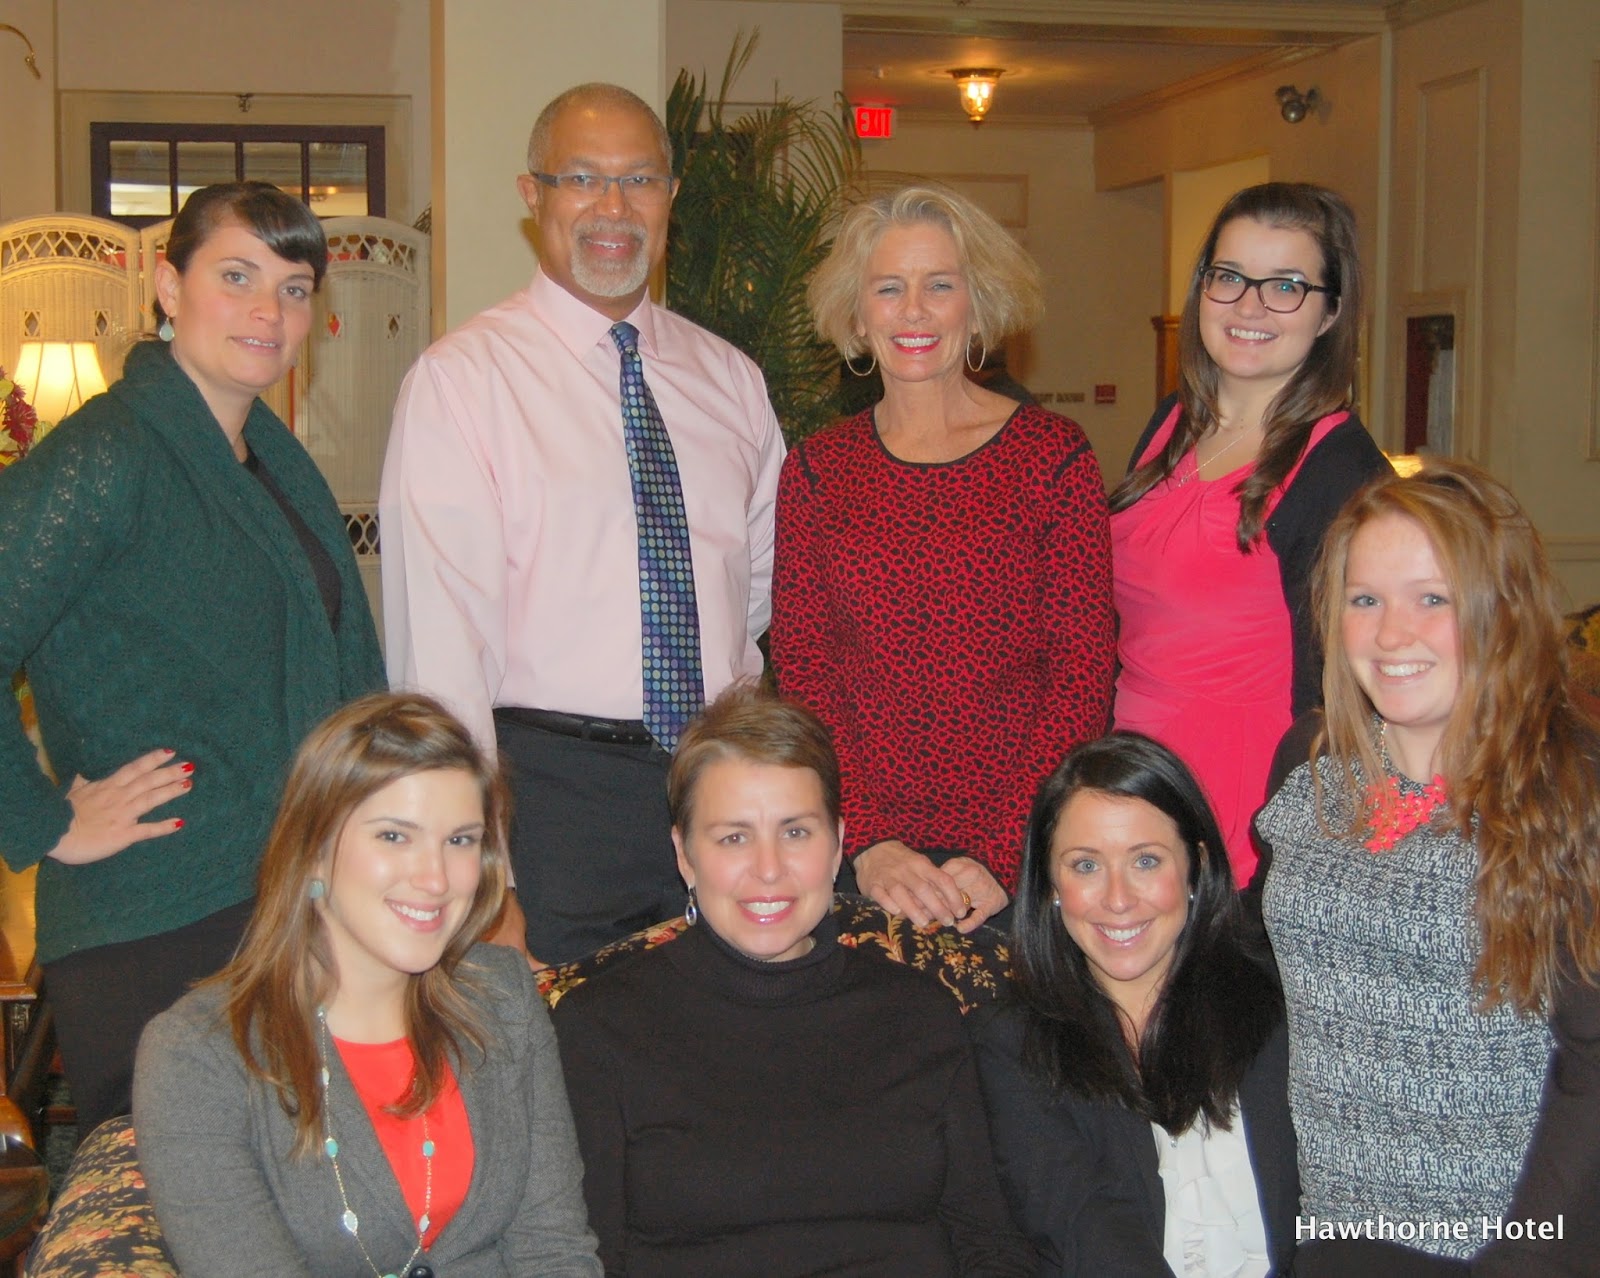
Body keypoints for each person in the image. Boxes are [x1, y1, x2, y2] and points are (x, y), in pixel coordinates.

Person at [0, 181, 384, 1135]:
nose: (268, 312)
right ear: (168, 288)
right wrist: (46, 822)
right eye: (237, 277)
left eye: (294, 289)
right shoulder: (108, 454)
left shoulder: (270, 459)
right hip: (155, 922)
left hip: (280, 901)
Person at [381, 82, 784, 966]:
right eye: (582, 178)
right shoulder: (463, 382)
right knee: (569, 1050)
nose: (613, 207)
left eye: (639, 180)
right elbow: (440, 655)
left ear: (670, 197)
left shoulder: (732, 381)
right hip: (550, 805)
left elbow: (750, 595)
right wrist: (482, 873)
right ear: (534, 196)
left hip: (719, 786)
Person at [550, 683, 1034, 1275]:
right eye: (734, 837)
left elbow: (989, 1242)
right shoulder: (599, 1028)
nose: (769, 869)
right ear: (684, 855)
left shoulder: (921, 1010)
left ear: (838, 846)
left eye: (796, 832)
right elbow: (581, 1259)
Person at [1256, 461, 1600, 1275]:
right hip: (1330, 1235)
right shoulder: (1311, 768)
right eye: (1365, 600)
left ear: (1500, 611)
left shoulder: (1569, 789)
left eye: (1432, 599)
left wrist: (1521, 1261)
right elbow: (1258, 970)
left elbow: (1593, 1062)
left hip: (1503, 1246)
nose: (1390, 635)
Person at [133, 692, 602, 1276]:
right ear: (312, 850)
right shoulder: (198, 1056)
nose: (435, 879)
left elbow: (554, 1249)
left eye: (460, 840)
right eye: (394, 836)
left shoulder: (501, 996)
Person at [771, 184, 1114, 935]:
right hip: (867, 860)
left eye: (940, 285)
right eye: (888, 288)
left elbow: (1081, 671)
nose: (914, 312)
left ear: (978, 305)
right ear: (857, 315)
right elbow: (805, 669)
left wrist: (1005, 849)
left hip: (1015, 857)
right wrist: (867, 840)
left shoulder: (1051, 458)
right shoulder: (817, 470)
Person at [1109, 182, 1390, 887]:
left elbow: (1353, 691)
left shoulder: (1341, 470)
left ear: (1331, 311)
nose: (1249, 306)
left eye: (1286, 286)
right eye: (1229, 277)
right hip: (1134, 772)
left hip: (1244, 808)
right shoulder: (1173, 422)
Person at [973, 732, 1298, 1276]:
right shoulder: (1011, 1045)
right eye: (1085, 866)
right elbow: (1083, 1226)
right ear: (1050, 884)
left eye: (1146, 861)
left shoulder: (1279, 1004)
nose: (1118, 899)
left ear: (1195, 867)